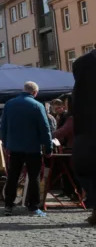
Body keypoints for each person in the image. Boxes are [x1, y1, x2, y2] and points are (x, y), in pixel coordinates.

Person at [1, 81, 53, 217]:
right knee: (34, 177)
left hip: (14, 147)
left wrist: (5, 144)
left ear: (23, 90)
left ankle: (8, 205)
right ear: (35, 93)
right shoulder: (37, 105)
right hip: (32, 148)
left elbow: (4, 126)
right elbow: (45, 129)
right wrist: (49, 148)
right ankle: (33, 207)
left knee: (13, 176)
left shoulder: (9, 104)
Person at [72, 49, 96, 224]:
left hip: (86, 129)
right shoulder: (83, 64)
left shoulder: (82, 64)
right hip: (87, 128)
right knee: (84, 168)